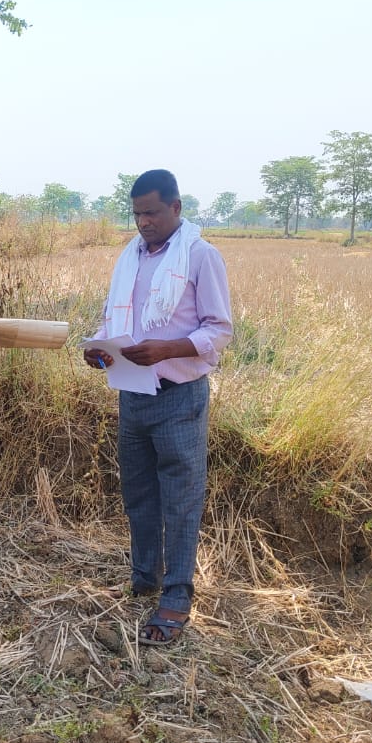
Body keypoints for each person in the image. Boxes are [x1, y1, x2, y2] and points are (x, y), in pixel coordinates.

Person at [82, 169, 232, 647]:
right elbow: (117, 321)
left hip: (178, 398)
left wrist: (168, 349)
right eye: (137, 214)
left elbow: (219, 330)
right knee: (139, 494)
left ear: (176, 208)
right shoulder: (130, 258)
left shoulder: (200, 257)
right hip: (133, 394)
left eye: (151, 212)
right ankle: (144, 577)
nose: (142, 222)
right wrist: (101, 350)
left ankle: (176, 597)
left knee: (181, 499)